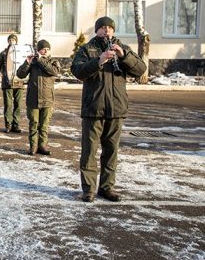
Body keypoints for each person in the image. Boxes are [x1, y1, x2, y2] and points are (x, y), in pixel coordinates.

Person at [71, 16, 146, 203]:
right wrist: (99, 60)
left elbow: (141, 69)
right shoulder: (87, 49)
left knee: (111, 151)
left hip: (116, 108)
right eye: (103, 28)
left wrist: (124, 56)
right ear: (97, 30)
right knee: (89, 151)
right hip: (93, 109)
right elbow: (77, 71)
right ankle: (89, 190)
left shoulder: (122, 48)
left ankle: (107, 188)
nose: (106, 31)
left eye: (110, 28)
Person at [16, 39, 61, 156]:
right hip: (33, 99)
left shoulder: (53, 61)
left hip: (47, 99)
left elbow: (53, 71)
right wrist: (27, 62)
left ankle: (42, 145)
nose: (45, 51)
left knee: (44, 124)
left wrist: (40, 60)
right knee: (34, 123)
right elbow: (20, 74)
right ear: (38, 50)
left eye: (47, 49)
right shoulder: (33, 62)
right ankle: (33, 146)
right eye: (43, 49)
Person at [0, 34, 24, 133]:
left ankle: (16, 124)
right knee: (8, 104)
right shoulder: (3, 53)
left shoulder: (20, 52)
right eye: (10, 40)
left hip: (19, 81)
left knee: (18, 104)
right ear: (8, 41)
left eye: (14, 40)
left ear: (16, 41)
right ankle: (8, 124)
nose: (12, 41)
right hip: (7, 82)